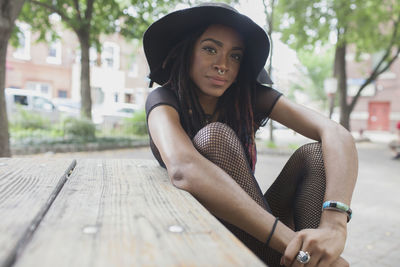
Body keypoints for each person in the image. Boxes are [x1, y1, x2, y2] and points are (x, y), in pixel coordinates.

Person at [143, 3, 358, 266]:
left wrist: (335, 225)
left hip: (259, 231)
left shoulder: (248, 96)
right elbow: (183, 168)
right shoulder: (164, 100)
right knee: (215, 137)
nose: (223, 65)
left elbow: (335, 133)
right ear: (187, 52)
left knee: (315, 154)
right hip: (201, 232)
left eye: (235, 56)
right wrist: (294, 245)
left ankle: (314, 256)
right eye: (210, 49)